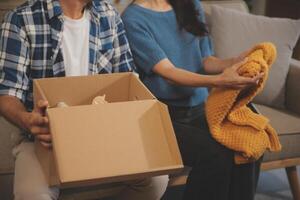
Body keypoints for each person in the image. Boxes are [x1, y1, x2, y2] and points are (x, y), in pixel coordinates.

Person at [0, 0, 168, 199]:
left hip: (101, 133)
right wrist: (27, 120)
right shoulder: (20, 19)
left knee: (157, 180)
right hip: (43, 140)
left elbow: (128, 79)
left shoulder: (109, 15)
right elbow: (7, 94)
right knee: (32, 195)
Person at [122, 0, 264, 200]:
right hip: (163, 117)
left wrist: (236, 62)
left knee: (250, 140)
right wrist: (220, 80)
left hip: (201, 108)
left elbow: (205, 60)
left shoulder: (190, 4)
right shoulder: (132, 19)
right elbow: (169, 72)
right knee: (214, 155)